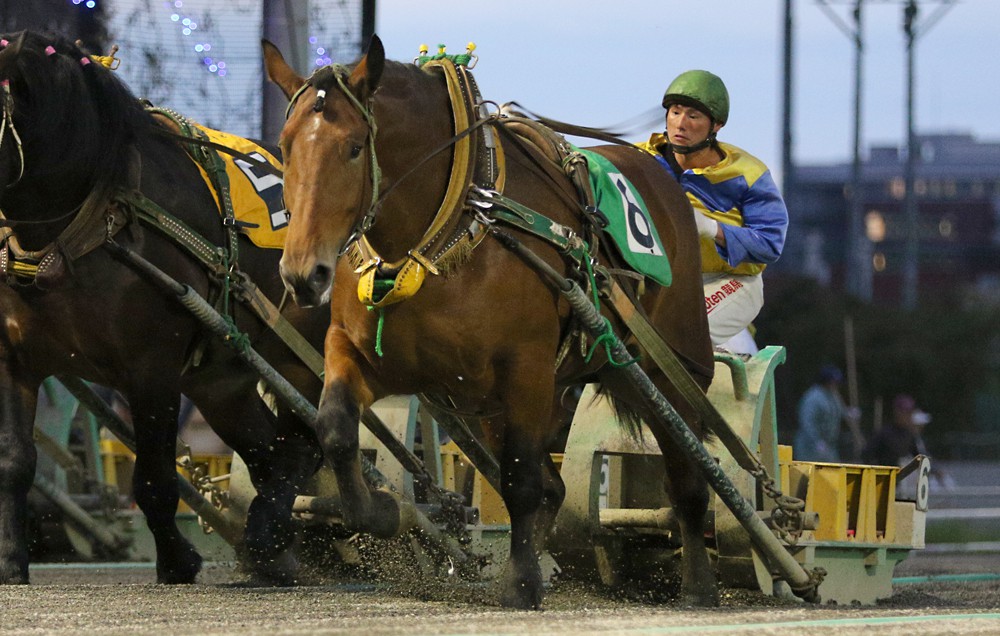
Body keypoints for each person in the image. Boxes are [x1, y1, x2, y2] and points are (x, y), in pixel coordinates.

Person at [638, 70, 788, 354]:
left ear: (716, 125)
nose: (680, 123)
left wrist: (712, 229)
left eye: (693, 116)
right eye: (675, 112)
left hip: (730, 282)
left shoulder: (750, 174)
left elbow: (770, 244)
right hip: (656, 283)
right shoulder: (639, 160)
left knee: (674, 331)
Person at [793, 365, 855, 462]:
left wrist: (849, 413)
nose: (836, 385)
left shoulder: (834, 395)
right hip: (810, 447)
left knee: (832, 472)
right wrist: (816, 441)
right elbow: (807, 422)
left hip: (829, 446)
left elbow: (838, 411)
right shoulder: (813, 397)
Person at [862, 394, 925, 467]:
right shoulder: (884, 434)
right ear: (897, 412)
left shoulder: (910, 435)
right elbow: (867, 454)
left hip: (901, 476)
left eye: (909, 413)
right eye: (904, 412)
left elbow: (919, 457)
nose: (907, 416)